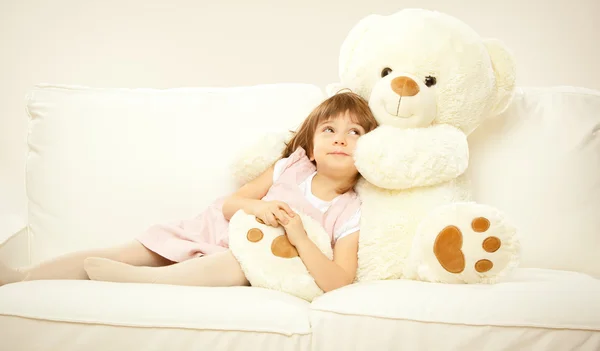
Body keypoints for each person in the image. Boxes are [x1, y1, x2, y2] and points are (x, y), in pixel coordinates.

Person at [0, 91, 378, 293]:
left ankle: (144, 283)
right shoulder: (290, 167)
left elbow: (338, 281)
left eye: (354, 133)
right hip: (210, 228)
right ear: (310, 147)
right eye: (329, 130)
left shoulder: (350, 210)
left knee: (235, 266)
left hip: (246, 259)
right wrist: (258, 209)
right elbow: (234, 203)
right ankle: (21, 277)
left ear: (370, 154)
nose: (340, 140)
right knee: (126, 250)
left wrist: (299, 237)